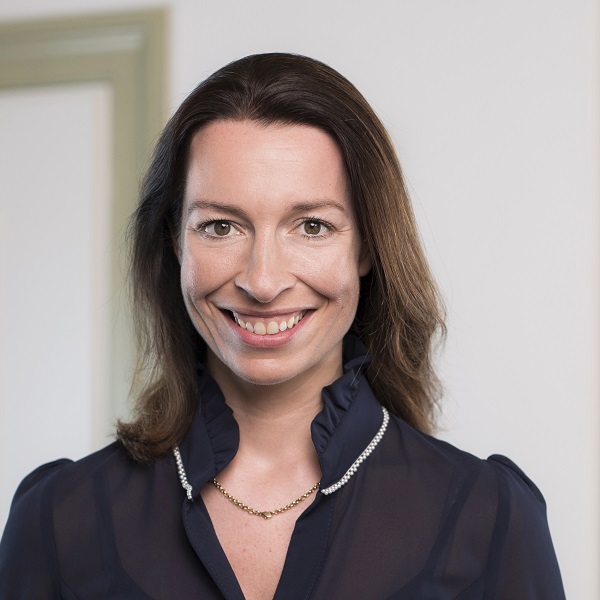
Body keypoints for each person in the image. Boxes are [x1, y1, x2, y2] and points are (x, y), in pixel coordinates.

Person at [0, 53, 565, 600]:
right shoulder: (58, 520)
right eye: (220, 227)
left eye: (312, 226)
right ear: (174, 242)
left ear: (368, 246)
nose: (263, 281)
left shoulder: (489, 519)